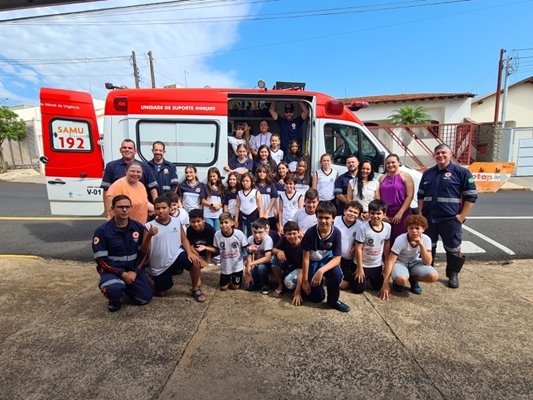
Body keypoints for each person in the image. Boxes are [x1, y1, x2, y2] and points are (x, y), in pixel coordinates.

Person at [418, 144, 478, 289]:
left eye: (443, 153)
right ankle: (428, 270)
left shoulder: (461, 173)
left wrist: (462, 215)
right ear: (434, 156)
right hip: (429, 218)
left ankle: (453, 274)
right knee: (428, 246)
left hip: (450, 219)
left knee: (453, 248)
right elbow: (421, 195)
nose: (440, 156)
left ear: (450, 153)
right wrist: (420, 214)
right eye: (437, 153)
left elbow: (471, 196)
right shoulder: (428, 174)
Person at [93, 194, 153, 312]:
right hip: (112, 270)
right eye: (120, 207)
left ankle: (126, 286)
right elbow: (101, 259)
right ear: (112, 209)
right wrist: (122, 274)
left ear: (131, 208)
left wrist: (135, 272)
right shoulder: (102, 231)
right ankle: (114, 298)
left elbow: (144, 253)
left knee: (145, 298)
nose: (124, 209)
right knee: (114, 289)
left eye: (127, 207)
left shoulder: (138, 228)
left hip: (132, 269)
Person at [141, 196, 205, 301]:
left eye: (164, 208)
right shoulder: (148, 226)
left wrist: (189, 252)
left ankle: (195, 289)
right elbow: (144, 250)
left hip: (176, 255)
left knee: (195, 262)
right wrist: (149, 236)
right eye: (157, 208)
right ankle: (147, 277)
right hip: (160, 264)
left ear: (170, 208)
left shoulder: (176, 221)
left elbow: (184, 239)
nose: (161, 211)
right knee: (161, 293)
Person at [292, 201, 350, 312]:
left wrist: (320, 271)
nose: (323, 221)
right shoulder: (310, 233)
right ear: (316, 217)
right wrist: (304, 281)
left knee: (336, 274)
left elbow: (337, 259)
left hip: (325, 261)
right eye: (320, 217)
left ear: (333, 218)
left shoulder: (336, 233)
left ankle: (333, 301)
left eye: (327, 218)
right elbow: (305, 258)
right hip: (312, 262)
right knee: (316, 298)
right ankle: (317, 288)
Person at [379, 215, 439, 300]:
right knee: (402, 279)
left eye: (417, 228)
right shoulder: (400, 239)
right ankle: (397, 282)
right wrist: (386, 284)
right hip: (400, 262)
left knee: (433, 276)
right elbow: (390, 261)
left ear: (423, 229)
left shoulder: (426, 239)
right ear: (407, 228)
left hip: (415, 262)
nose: (414, 231)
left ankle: (413, 280)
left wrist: (421, 245)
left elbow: (428, 262)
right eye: (411, 228)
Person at [100, 139, 159, 203]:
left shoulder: (145, 167)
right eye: (124, 147)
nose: (127, 150)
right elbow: (106, 190)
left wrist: (156, 205)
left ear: (135, 151)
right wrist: (108, 210)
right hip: (119, 208)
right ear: (120, 150)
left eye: (130, 148)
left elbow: (153, 188)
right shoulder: (111, 166)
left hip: (140, 207)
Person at [354, 200, 391, 295]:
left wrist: (386, 261)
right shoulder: (363, 228)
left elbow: (386, 244)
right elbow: (358, 248)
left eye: (379, 213)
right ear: (369, 213)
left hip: (376, 264)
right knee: (358, 290)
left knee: (378, 287)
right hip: (363, 264)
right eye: (372, 213)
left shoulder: (387, 227)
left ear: (384, 214)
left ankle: (371, 278)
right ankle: (355, 274)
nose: (375, 216)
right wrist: (359, 268)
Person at [376, 154, 414, 245]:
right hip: (386, 212)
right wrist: (382, 213)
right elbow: (378, 196)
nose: (390, 165)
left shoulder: (406, 176)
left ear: (399, 162)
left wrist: (400, 213)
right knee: (386, 239)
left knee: (402, 238)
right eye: (388, 163)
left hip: (402, 212)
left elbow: (410, 196)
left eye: (393, 162)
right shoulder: (382, 178)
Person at [213, 212, 250, 291]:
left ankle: (236, 278)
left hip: (237, 266)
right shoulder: (217, 234)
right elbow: (216, 249)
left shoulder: (239, 234)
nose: (223, 225)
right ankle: (228, 278)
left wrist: (250, 249)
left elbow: (246, 247)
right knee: (223, 288)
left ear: (232, 223)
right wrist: (205, 248)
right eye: (221, 223)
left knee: (235, 287)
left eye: (226, 222)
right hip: (225, 265)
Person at [334, 201, 363, 290]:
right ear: (344, 211)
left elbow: (362, 242)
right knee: (333, 280)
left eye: (355, 213)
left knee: (344, 286)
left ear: (359, 215)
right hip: (334, 257)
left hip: (348, 259)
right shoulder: (335, 220)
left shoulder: (360, 226)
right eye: (350, 211)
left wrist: (355, 245)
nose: (352, 214)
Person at [271, 221, 303, 298]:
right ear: (284, 234)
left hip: (300, 268)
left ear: (299, 233)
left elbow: (302, 270)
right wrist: (279, 251)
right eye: (289, 234)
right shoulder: (284, 240)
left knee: (289, 284)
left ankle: (300, 288)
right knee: (273, 259)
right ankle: (280, 285)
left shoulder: (302, 247)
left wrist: (298, 290)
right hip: (289, 264)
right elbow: (273, 249)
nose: (292, 236)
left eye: (294, 233)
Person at [244, 219, 274, 295]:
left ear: (265, 231)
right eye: (255, 232)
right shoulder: (250, 239)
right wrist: (249, 275)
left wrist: (250, 264)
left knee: (261, 267)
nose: (257, 235)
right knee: (249, 287)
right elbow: (249, 256)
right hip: (257, 264)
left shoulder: (268, 239)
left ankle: (265, 285)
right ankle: (259, 279)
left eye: (260, 232)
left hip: (269, 265)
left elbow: (267, 258)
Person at [235, 172, 263, 238]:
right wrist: (236, 220)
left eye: (247, 181)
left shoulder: (256, 192)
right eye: (243, 181)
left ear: (251, 181)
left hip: (253, 217)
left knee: (253, 236)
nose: (245, 183)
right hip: (243, 217)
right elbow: (237, 207)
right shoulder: (240, 193)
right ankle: (245, 248)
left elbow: (260, 207)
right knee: (244, 236)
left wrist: (261, 220)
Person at [202, 167, 225, 231]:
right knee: (209, 231)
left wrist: (218, 206)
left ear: (218, 176)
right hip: (208, 214)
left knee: (217, 231)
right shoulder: (206, 187)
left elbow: (224, 201)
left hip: (218, 214)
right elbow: (203, 201)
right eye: (210, 176)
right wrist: (213, 205)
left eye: (214, 176)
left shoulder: (222, 187)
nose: (212, 178)